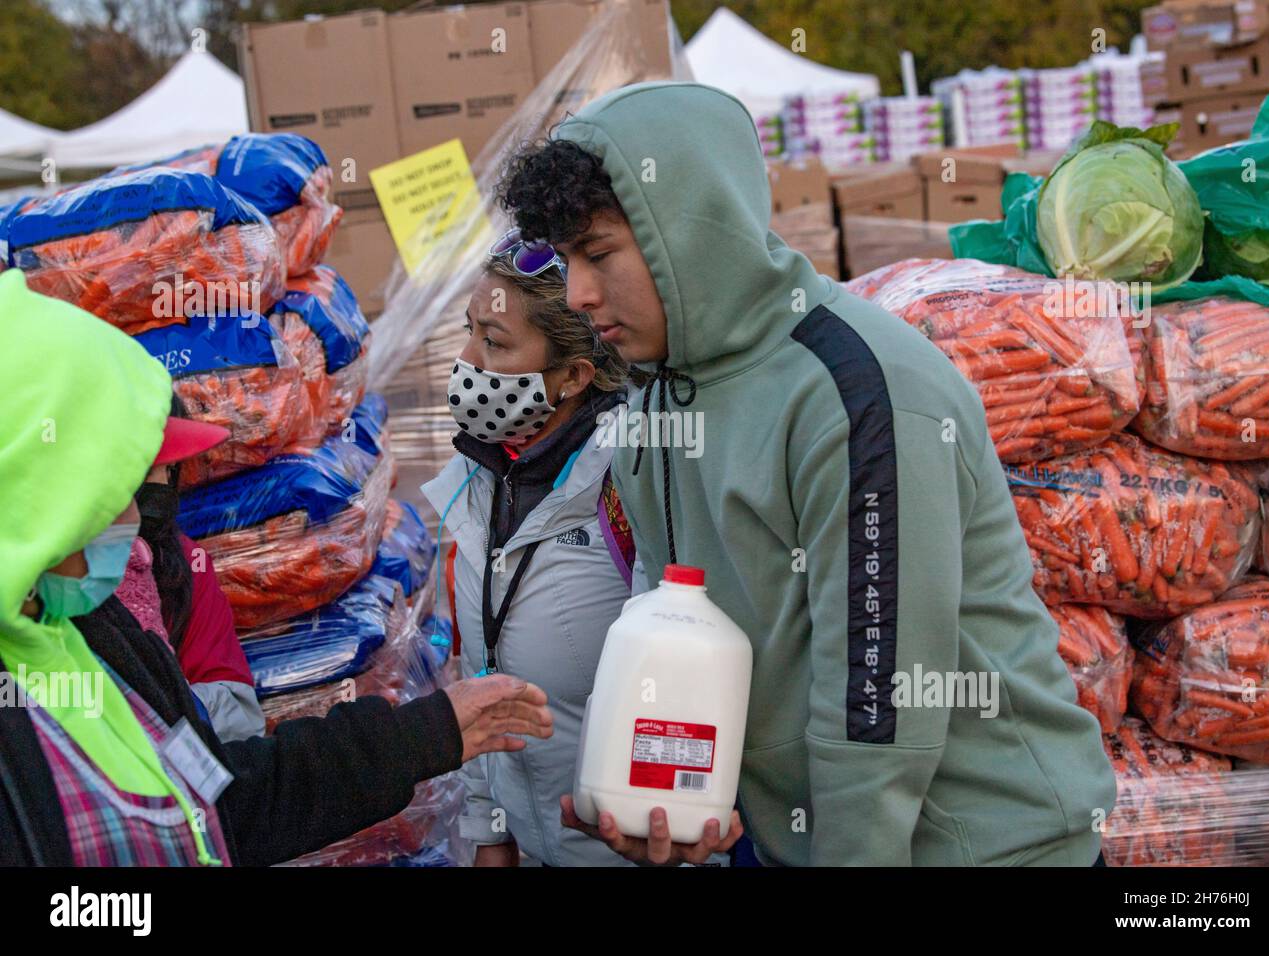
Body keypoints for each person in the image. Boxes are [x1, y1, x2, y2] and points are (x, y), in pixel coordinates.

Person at [497, 81, 1117, 867]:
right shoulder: (656, 393)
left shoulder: (855, 393)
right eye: (563, 261)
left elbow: (879, 702)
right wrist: (681, 804)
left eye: (600, 255)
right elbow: (675, 625)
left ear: (686, 228)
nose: (578, 295)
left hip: (980, 845)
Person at [0, 269, 553, 866]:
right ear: (36, 485)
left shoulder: (90, 632)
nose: (138, 515)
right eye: (115, 485)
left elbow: (225, 799)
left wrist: (427, 733)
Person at [422, 230, 640, 866]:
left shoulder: (635, 483)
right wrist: (491, 835)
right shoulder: (477, 483)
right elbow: (479, 680)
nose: (466, 359)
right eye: (469, 331)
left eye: (493, 342)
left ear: (574, 375)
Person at [122, 395, 267, 742]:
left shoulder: (185, 564)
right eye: (148, 464)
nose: (160, 482)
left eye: (171, 468)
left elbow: (240, 714)